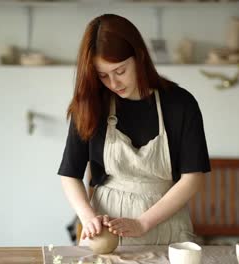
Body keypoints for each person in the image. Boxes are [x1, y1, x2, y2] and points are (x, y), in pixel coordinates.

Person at [58, 14, 210, 245]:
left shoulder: (180, 104)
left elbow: (193, 179)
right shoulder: (91, 105)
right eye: (103, 76)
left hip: (166, 226)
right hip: (106, 230)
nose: (113, 83)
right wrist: (88, 218)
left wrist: (143, 223)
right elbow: (70, 175)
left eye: (120, 71)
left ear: (139, 57)